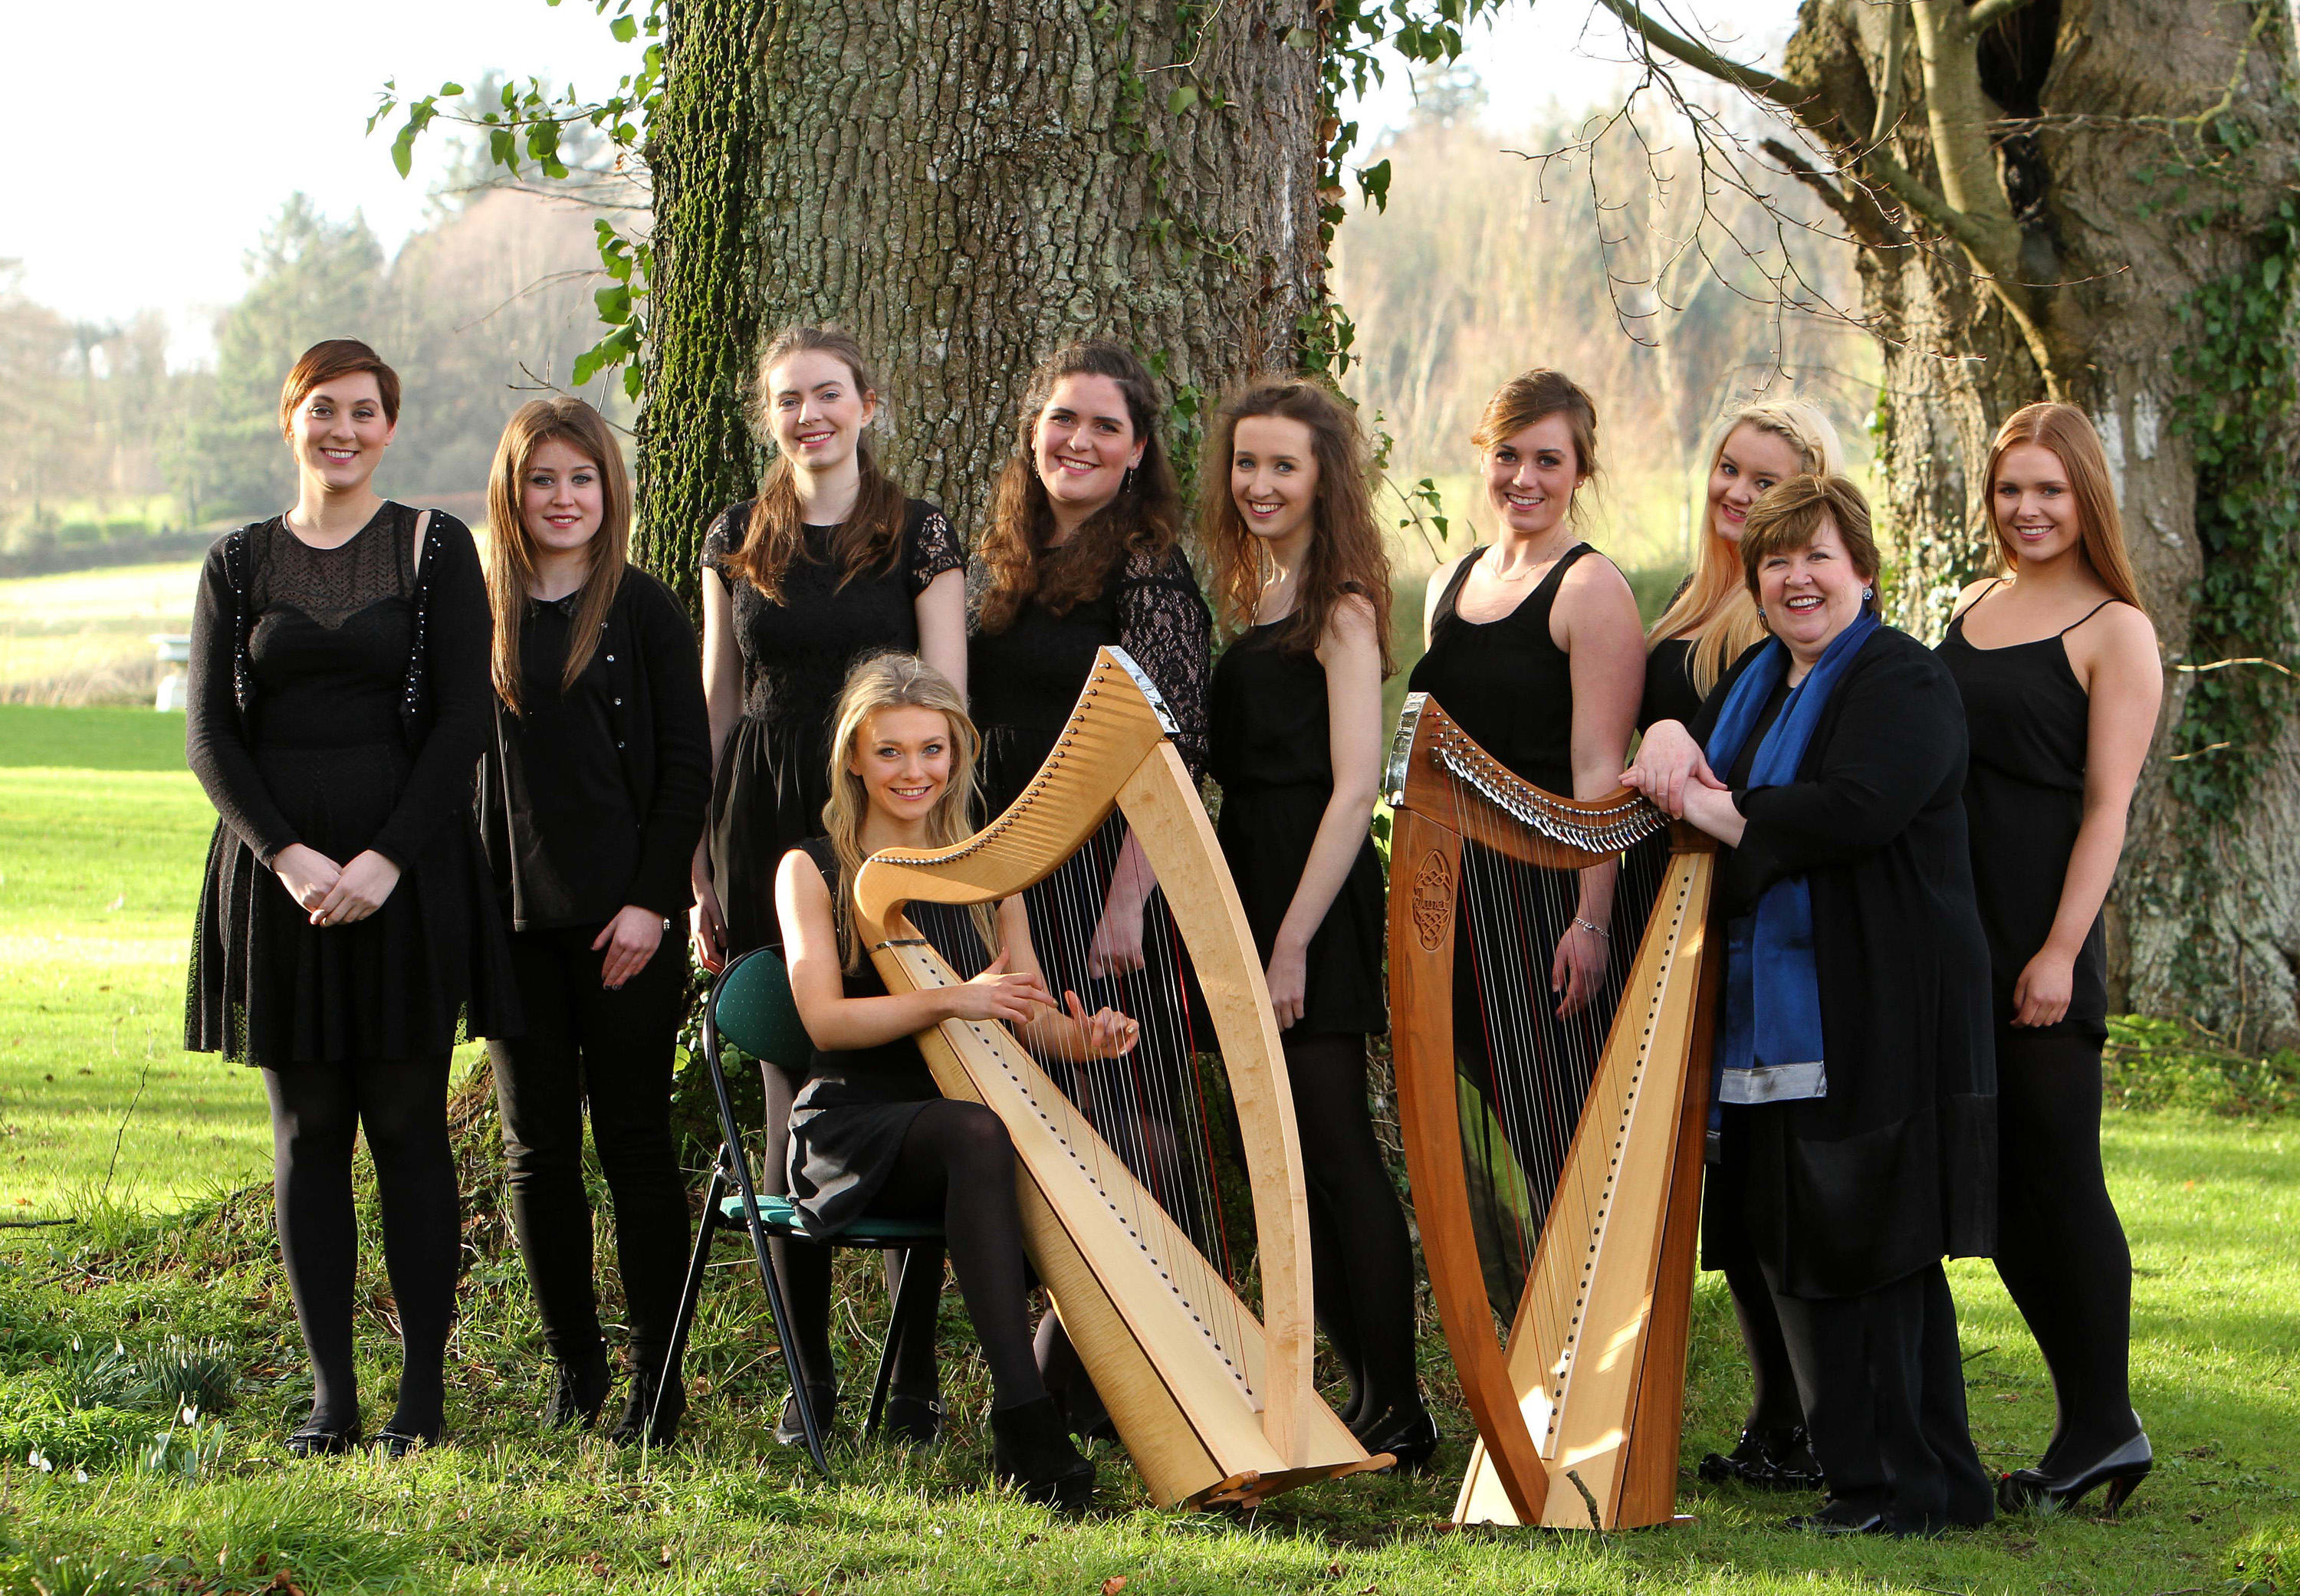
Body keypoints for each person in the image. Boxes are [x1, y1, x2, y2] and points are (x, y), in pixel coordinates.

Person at [1625, 474, 1996, 1536]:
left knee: (1869, 1241)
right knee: (1793, 1240)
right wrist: (1665, 743)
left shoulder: (1903, 680)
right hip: (1770, 1006)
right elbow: (1686, 762)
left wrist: (1713, 805)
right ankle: (1885, 1478)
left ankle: (1914, 1482)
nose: (1797, 578)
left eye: (1818, 557)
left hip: (1880, 999)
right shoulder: (1754, 681)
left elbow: (1855, 812)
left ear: (1864, 572)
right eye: (1777, 560)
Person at [186, 338, 518, 1456]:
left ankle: (421, 1399)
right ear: (291, 420)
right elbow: (208, 736)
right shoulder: (235, 563)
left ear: (390, 427)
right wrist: (287, 857)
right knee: (306, 1133)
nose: (343, 429)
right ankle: (332, 1395)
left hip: (406, 872)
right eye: (323, 409)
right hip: (277, 881)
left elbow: (466, 722)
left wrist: (382, 858)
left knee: (411, 1132)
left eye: (364, 411)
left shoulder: (434, 547)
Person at [775, 652, 1139, 1508]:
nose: (914, 772)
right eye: (891, 751)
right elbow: (824, 1021)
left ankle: (1047, 1387)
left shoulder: (985, 870)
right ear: (853, 759)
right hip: (851, 1120)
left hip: (963, 1116)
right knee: (978, 1133)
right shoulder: (810, 867)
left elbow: (1026, 1011)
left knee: (1100, 1147)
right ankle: (1025, 1427)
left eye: (932, 750)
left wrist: (1081, 1040)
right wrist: (953, 999)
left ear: (957, 755)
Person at [690, 325, 966, 1447]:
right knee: (785, 1098)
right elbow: (717, 698)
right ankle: (812, 1388)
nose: (809, 415)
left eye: (828, 395)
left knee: (919, 1082)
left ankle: (913, 1382)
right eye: (788, 400)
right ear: (771, 417)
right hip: (762, 816)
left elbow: (947, 699)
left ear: (869, 404)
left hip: (891, 819)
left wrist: (948, 839)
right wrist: (697, 851)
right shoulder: (734, 533)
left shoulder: (919, 534)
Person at [967, 339, 1214, 1433]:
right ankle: (1060, 1363)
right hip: (1001, 885)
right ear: (1033, 431)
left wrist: (1127, 903)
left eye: (1105, 426)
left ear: (1139, 451)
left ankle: (1102, 1366)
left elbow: (1172, 751)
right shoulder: (997, 567)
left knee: (1129, 1124)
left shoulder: (1148, 571)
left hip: (1104, 889)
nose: (1079, 440)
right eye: (1063, 418)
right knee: (1028, 1124)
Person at [1200, 378, 1434, 1467]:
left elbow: (1353, 791)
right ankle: (1354, 1388)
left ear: (1323, 477)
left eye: (1283, 465)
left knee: (1338, 1150)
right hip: (1246, 878)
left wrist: (1293, 937)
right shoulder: (1254, 590)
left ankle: (1403, 1398)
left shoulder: (1338, 601)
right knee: (1283, 1160)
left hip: (1314, 896)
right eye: (1247, 463)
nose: (1259, 483)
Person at [474, 398, 711, 1444]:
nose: (562, 498)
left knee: (635, 1145)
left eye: (581, 478)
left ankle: (661, 1386)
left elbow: (687, 770)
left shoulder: (647, 611)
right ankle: (579, 1366)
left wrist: (653, 901)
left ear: (608, 491)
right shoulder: (477, 613)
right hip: (511, 925)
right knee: (536, 1153)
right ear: (512, 492)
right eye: (542, 479)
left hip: (628, 930)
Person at [1940, 402, 2162, 1515]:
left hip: (2041, 937)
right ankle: (2093, 1424)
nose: (2027, 510)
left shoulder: (2114, 627)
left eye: (2049, 491)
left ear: (2085, 499)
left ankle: (2103, 1419)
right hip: (1953, 935)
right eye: (2011, 489)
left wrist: (2061, 949)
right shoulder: (1969, 607)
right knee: (2000, 1189)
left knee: (2062, 1178)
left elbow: (2108, 807)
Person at [1403, 369, 1647, 1307]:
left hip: (1546, 898)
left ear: (1580, 470)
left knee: (1554, 1126)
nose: (1525, 477)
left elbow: (1598, 774)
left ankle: (1586, 1319)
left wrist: (1592, 920)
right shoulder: (1448, 584)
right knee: (1469, 1121)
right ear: (1485, 455)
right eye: (1508, 454)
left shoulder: (1592, 590)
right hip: (1450, 896)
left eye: (1549, 458)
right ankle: (1508, 1316)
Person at [1642, 399, 1843, 1493]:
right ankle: (1782, 1413)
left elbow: (1753, 772)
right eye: (1726, 467)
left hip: (1748, 915)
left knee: (1762, 1173)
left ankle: (1804, 1416)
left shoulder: (1778, 618)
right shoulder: (1687, 602)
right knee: (1735, 1182)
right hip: (1676, 910)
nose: (1736, 492)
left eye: (1764, 480)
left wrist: (1674, 735)